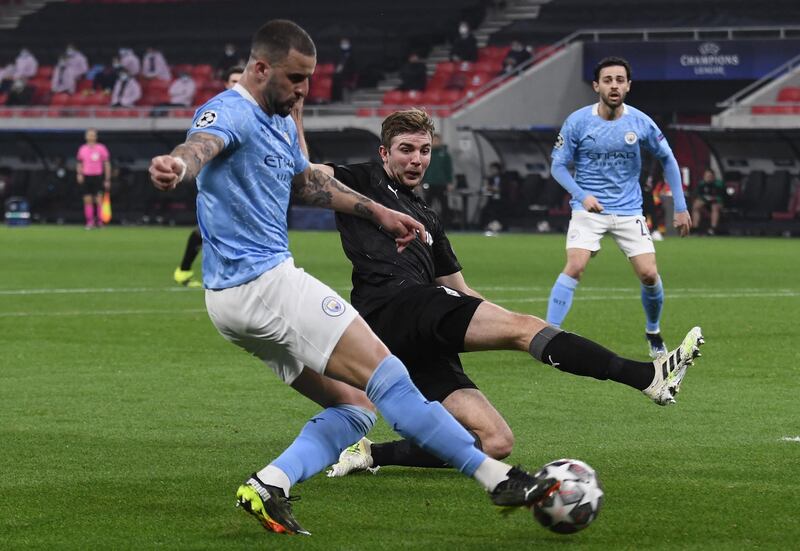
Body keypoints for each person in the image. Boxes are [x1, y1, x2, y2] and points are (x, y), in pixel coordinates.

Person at [149, 20, 562, 536]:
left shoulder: (279, 116)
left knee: (356, 408)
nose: (304, 90)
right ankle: (496, 475)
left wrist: (376, 212)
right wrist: (177, 164)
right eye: (296, 79)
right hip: (266, 285)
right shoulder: (232, 109)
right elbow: (202, 144)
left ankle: (269, 484)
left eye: (309, 80)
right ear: (259, 68)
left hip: (232, 304)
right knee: (388, 376)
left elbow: (305, 183)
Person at [297, 108, 703, 477]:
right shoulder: (361, 179)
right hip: (392, 310)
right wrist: (293, 116)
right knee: (523, 330)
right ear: (384, 153)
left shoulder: (428, 219)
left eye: (424, 150)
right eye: (405, 150)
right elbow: (304, 173)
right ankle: (646, 375)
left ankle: (370, 455)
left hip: (416, 335)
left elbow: (460, 291)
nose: (416, 159)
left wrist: (512, 322)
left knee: (495, 442)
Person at [545, 56, 691, 358]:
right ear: (597, 85)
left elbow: (668, 158)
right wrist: (581, 194)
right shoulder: (578, 121)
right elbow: (558, 166)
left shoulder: (640, 122)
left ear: (628, 86)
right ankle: (548, 335)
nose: (614, 85)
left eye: (620, 80)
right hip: (589, 210)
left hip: (629, 211)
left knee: (650, 275)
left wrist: (680, 205)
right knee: (575, 266)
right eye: (608, 80)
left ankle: (653, 332)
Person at [172, 65, 243, 288]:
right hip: (218, 182)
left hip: (243, 184)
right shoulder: (218, 110)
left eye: (241, 81)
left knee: (214, 230)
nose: (237, 85)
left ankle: (185, 271)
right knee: (211, 229)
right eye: (233, 81)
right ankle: (190, 271)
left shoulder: (255, 112)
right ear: (226, 84)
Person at [76, 128, 111, 229]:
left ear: (96, 136)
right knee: (87, 200)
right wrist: (79, 174)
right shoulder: (82, 149)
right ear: (86, 136)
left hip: (98, 176)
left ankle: (100, 222)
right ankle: (90, 222)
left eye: (93, 135)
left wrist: (107, 179)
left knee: (99, 199)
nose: (91, 136)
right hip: (86, 176)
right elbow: (79, 163)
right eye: (89, 135)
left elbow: (107, 164)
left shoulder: (101, 148)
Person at [423, 134, 454, 226]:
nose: (436, 142)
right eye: (434, 140)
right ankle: (426, 225)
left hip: (441, 184)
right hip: (429, 183)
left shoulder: (445, 154)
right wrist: (420, 182)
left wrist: (450, 182)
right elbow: (422, 168)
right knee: (426, 205)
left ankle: (446, 226)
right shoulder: (425, 153)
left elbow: (448, 169)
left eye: (437, 140)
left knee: (444, 205)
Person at [692, 168, 725, 235]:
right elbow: (699, 195)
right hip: (705, 203)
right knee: (696, 206)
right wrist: (704, 199)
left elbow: (721, 197)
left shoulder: (718, 184)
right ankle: (695, 227)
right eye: (706, 176)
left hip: (716, 203)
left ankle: (713, 228)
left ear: (713, 177)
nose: (708, 178)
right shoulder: (701, 184)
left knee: (714, 206)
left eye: (710, 176)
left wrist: (712, 199)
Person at [330, 37, 356, 102]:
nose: (344, 44)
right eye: (343, 43)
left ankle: (348, 100)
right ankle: (342, 100)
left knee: (348, 88)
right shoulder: (338, 53)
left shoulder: (351, 54)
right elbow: (336, 63)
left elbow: (353, 65)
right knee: (342, 88)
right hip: (340, 75)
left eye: (345, 43)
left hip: (349, 75)